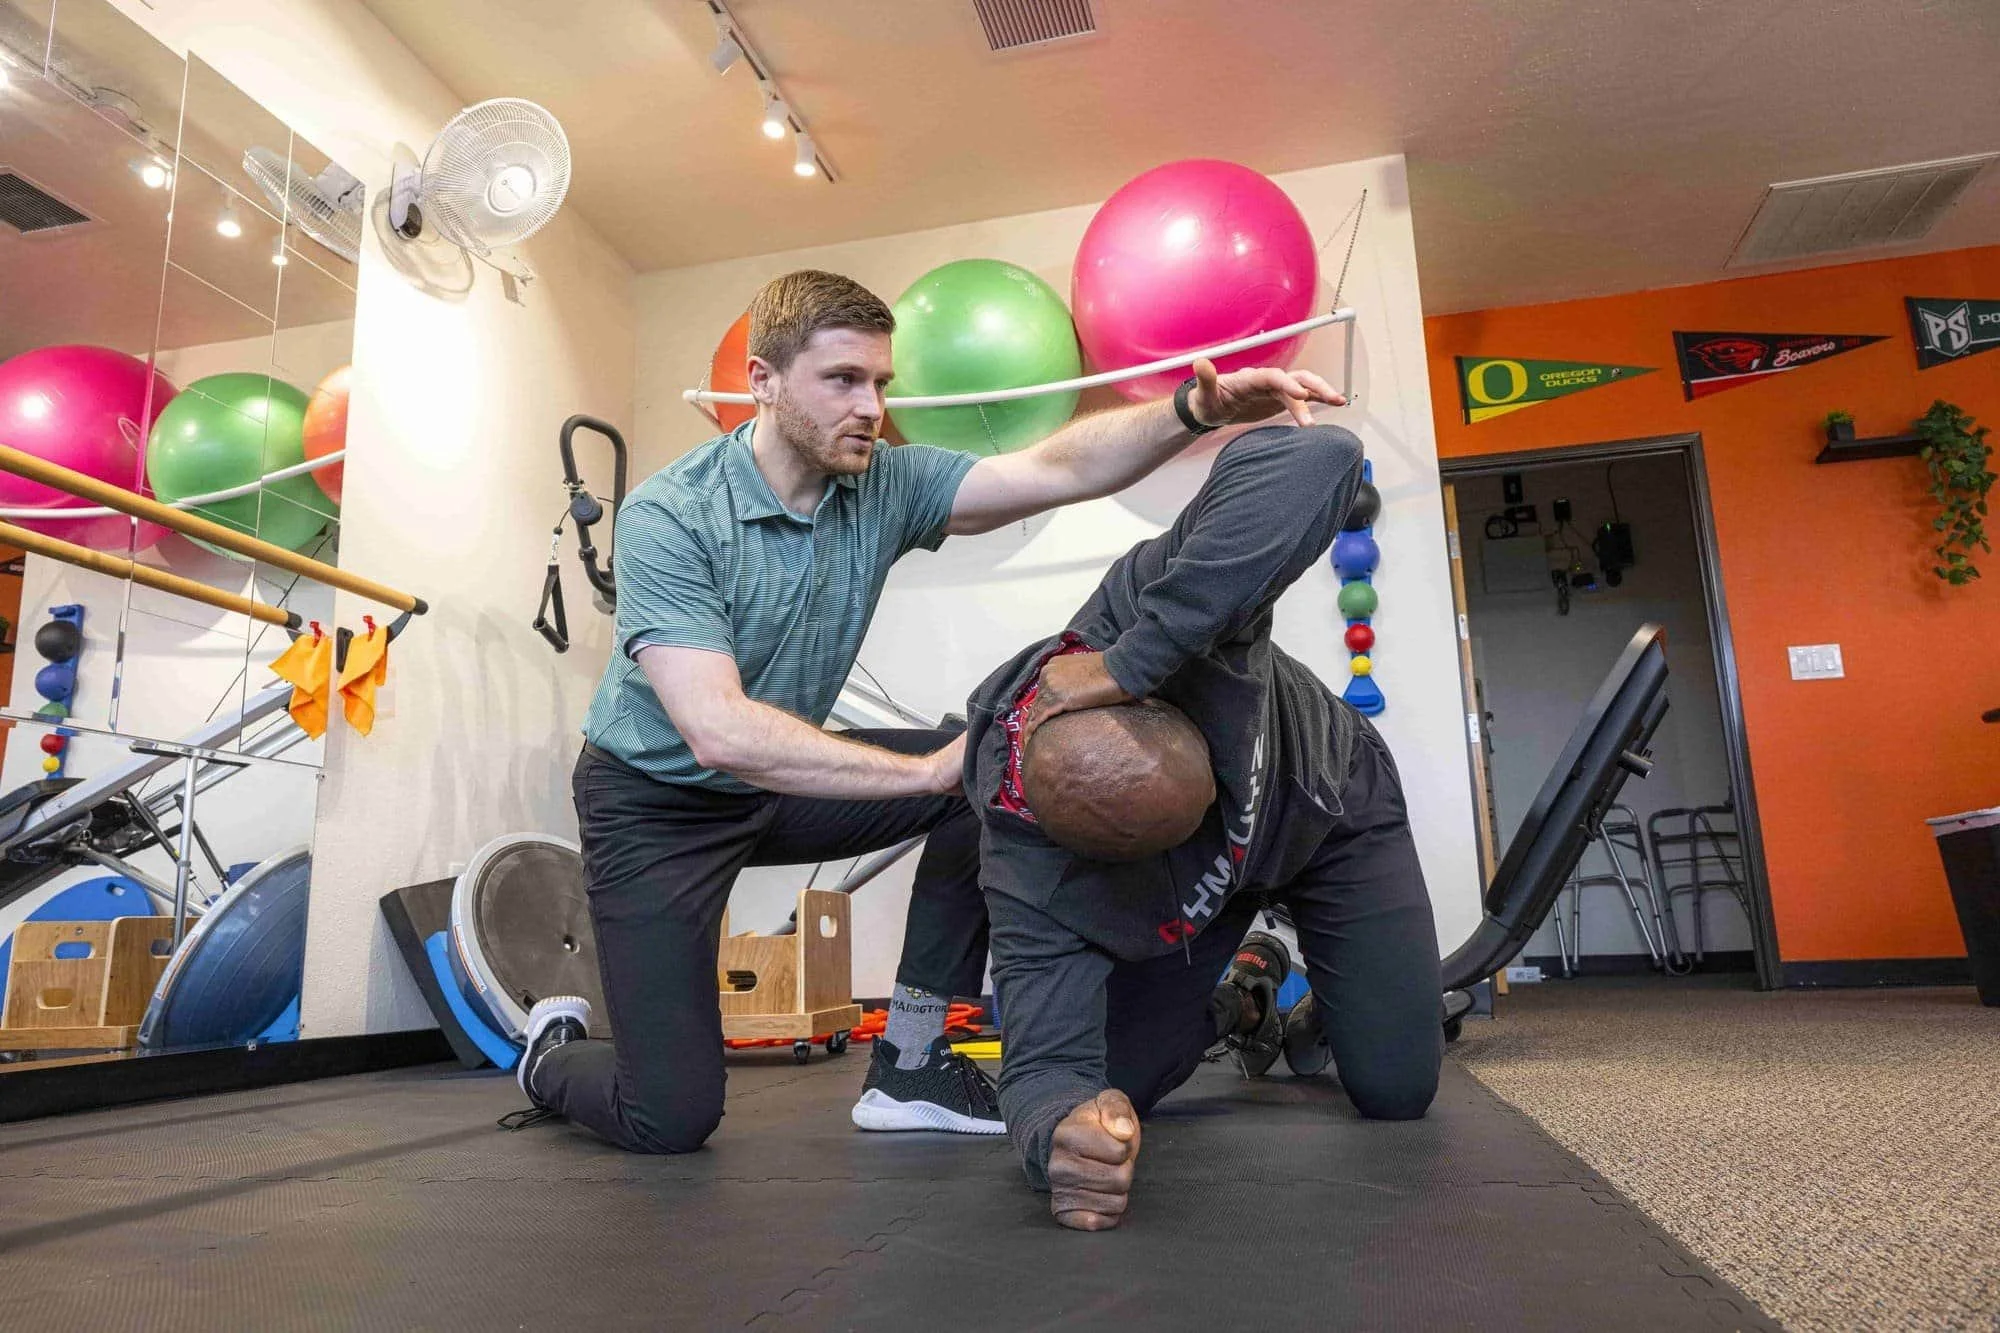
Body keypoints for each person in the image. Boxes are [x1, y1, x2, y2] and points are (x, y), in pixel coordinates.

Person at [509, 269, 1347, 1154]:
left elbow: (1057, 465)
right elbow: (716, 730)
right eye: (842, 380)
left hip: (772, 786)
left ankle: (910, 1058)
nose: (871, 405)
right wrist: (927, 769)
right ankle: (549, 1055)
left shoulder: (883, 486)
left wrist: (1193, 410)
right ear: (762, 380)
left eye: (881, 382)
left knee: (991, 763)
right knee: (668, 1116)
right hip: (653, 805)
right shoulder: (671, 515)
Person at [961, 419, 1443, 1230]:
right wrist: (1060, 1143)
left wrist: (1130, 663)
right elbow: (1042, 1067)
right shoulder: (1026, 875)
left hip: (1332, 811)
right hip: (1205, 904)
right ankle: (1246, 994)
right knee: (1119, 1087)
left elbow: (1317, 457)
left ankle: (1340, 986)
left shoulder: (1150, 616)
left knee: (1397, 1092)